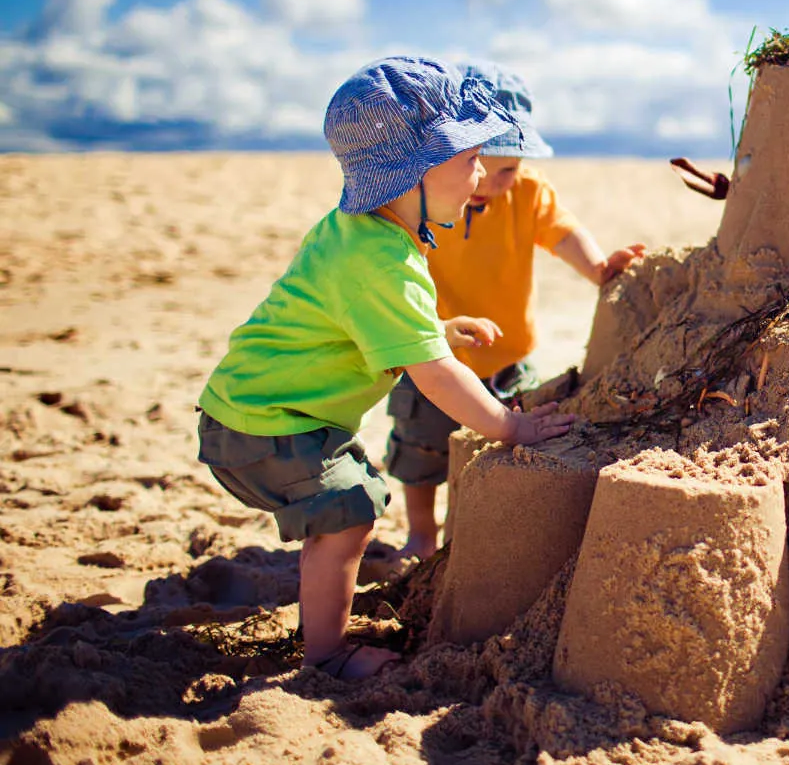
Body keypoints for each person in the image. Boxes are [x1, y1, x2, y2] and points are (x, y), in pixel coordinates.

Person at [196, 56, 575, 680]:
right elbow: (435, 376)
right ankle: (325, 656)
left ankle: (325, 634)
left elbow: (372, 326)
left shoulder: (365, 234)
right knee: (350, 512)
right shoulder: (382, 262)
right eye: (467, 159)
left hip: (252, 412)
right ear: (411, 174)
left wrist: (437, 332)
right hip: (263, 427)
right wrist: (512, 428)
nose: (479, 175)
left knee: (350, 510)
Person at [385, 62, 644, 559]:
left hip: (508, 357)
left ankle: (481, 530)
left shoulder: (526, 192)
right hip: (430, 353)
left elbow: (561, 231)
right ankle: (420, 532)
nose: (491, 180)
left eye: (508, 168)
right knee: (421, 449)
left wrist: (596, 268)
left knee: (516, 440)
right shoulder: (428, 196)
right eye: (480, 163)